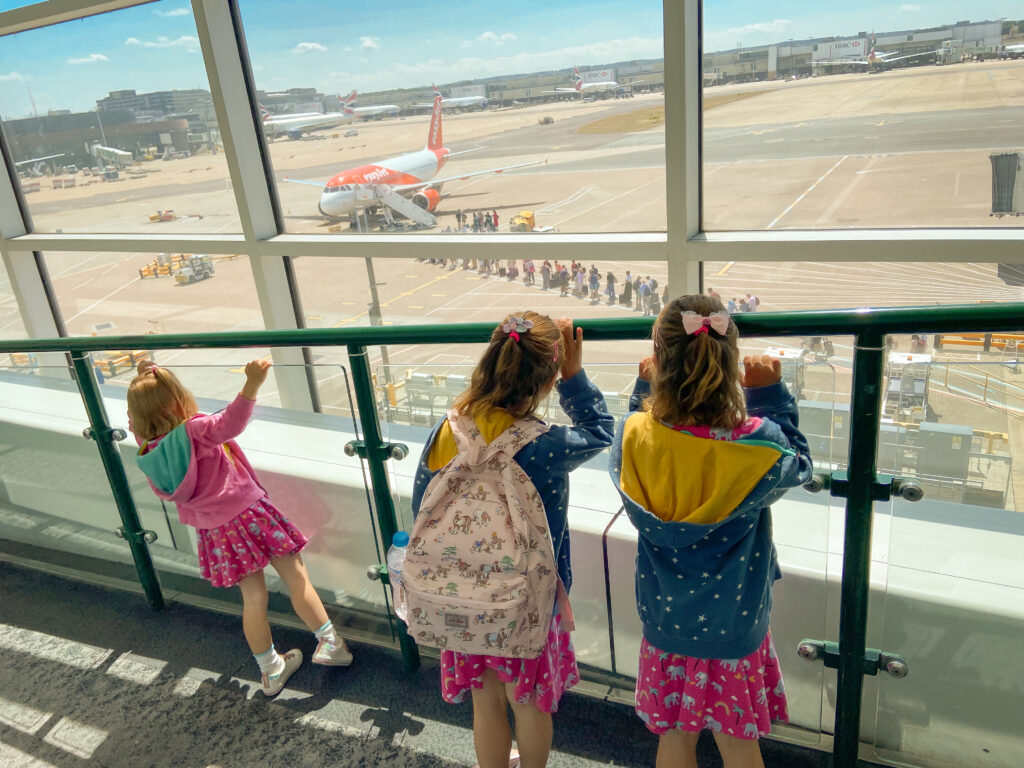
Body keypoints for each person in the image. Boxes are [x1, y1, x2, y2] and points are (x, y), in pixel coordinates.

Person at [609, 294, 812, 768]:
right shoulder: (757, 443)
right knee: (738, 744)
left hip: (666, 623)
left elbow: (632, 433)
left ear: (659, 361)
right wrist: (770, 397)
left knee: (675, 738)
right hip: (734, 625)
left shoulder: (637, 435)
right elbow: (798, 464)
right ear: (732, 363)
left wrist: (643, 388)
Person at [411, 313, 614, 768]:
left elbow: (421, 505)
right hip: (527, 601)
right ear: (546, 383)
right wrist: (574, 376)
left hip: (458, 594)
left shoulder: (448, 429)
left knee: (485, 701)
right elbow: (602, 429)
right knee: (530, 702)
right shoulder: (546, 445)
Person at [126, 361, 353, 697]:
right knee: (296, 577)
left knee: (254, 598)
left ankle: (271, 670)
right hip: (249, 514)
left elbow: (141, 420)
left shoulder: (149, 450)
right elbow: (230, 422)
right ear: (177, 401)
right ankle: (330, 643)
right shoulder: (194, 431)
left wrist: (148, 377)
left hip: (218, 532)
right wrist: (251, 384)